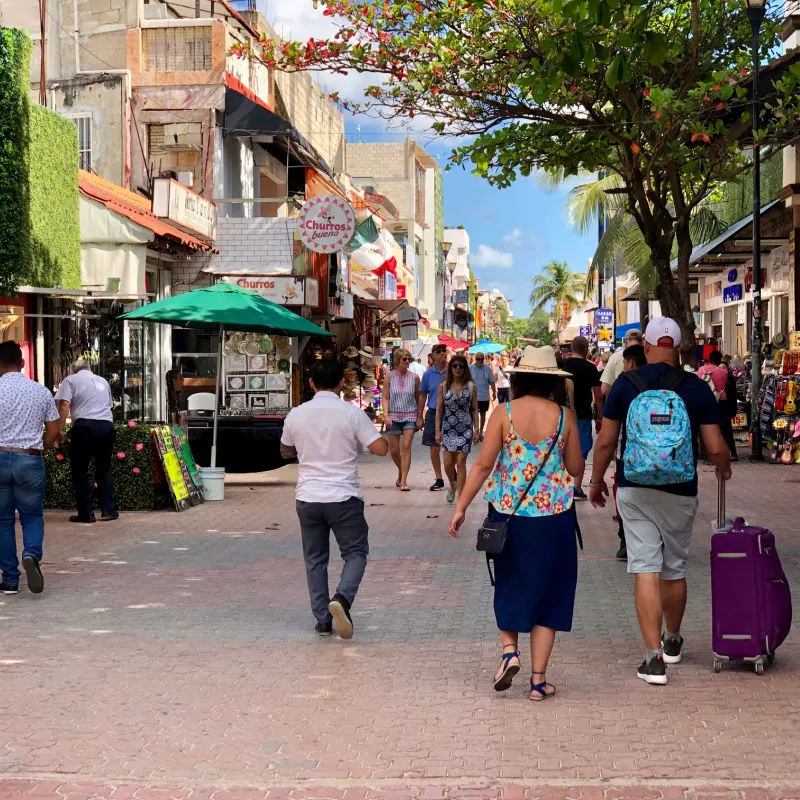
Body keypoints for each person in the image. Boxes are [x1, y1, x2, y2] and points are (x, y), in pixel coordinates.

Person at [588, 318, 731, 685]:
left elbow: (605, 441)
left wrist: (596, 481)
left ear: (648, 347)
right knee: (674, 566)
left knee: (645, 566)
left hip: (634, 487)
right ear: (680, 347)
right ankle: (672, 640)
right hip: (681, 488)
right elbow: (715, 447)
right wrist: (723, 468)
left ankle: (653, 660)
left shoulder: (626, 384)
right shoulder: (696, 389)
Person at [448, 346, 583, 700]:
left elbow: (481, 466)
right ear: (554, 381)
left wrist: (461, 506)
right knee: (551, 593)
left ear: (521, 377)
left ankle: (509, 652)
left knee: (509, 583)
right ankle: (538, 682)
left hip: (508, 516)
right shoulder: (565, 417)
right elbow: (575, 469)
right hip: (554, 519)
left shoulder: (504, 413)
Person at [280, 359, 389, 639]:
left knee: (315, 558)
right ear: (342, 382)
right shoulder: (351, 414)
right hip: (344, 497)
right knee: (355, 553)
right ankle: (341, 599)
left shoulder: (296, 414)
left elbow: (285, 451)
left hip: (308, 497)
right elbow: (380, 449)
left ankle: (322, 621)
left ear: (311, 384)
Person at [0, 341, 61, 595]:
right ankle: (32, 555)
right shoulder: (40, 391)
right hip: (30, 458)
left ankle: (10, 580)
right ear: (22, 362)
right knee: (32, 515)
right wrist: (41, 447)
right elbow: (56, 430)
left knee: (3, 520)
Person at [55, 358, 117, 524]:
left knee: (80, 471)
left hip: (84, 427)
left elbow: (64, 404)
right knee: (104, 468)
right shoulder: (103, 381)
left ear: (74, 371)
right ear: (89, 369)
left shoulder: (70, 380)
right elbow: (108, 405)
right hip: (106, 426)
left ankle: (86, 514)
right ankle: (109, 510)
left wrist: (59, 429)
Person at [613, 344, 648, 561]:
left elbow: (610, 432)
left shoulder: (624, 383)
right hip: (658, 454)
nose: (624, 366)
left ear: (632, 362)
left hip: (627, 454)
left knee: (627, 499)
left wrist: (596, 480)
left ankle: (627, 542)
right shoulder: (660, 381)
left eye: (625, 362)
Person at [561, 336, 602, 500]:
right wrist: (600, 417)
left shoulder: (563, 365)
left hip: (562, 413)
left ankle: (563, 484)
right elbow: (598, 395)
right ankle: (576, 488)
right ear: (585, 349)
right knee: (581, 450)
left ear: (572, 348)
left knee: (561, 448)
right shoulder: (591, 368)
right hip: (583, 414)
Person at [435, 353, 479, 503]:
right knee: (448, 464)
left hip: (465, 428)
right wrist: (437, 431)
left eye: (461, 365)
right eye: (455, 365)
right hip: (448, 428)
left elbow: (474, 409)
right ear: (451, 367)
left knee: (461, 462)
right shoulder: (444, 386)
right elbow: (439, 410)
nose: (458, 368)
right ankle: (452, 485)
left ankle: (461, 496)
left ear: (465, 368)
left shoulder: (471, 387)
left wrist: (477, 429)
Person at [382, 348, 420, 492]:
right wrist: (386, 415)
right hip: (393, 415)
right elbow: (385, 397)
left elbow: (418, 398)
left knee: (406, 447)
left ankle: (404, 480)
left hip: (410, 415)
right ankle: (401, 469)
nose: (407, 361)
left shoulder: (415, 377)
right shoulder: (389, 377)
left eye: (409, 359)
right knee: (393, 450)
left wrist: (419, 416)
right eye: (404, 359)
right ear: (398, 360)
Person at [418, 344, 449, 491]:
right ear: (433, 356)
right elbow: (423, 394)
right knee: (434, 447)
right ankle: (439, 478)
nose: (443, 354)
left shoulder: (454, 370)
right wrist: (420, 416)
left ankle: (452, 471)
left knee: (452, 447)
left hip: (451, 412)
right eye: (439, 352)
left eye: (444, 351)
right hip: (433, 411)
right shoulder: (428, 374)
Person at [697, 351, 738, 461]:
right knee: (725, 429)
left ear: (709, 359)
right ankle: (732, 453)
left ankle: (707, 454)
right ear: (720, 360)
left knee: (706, 428)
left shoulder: (701, 370)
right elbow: (725, 386)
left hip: (705, 402)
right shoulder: (723, 372)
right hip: (721, 402)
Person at [600, 329, 643, 397]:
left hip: (621, 404)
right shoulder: (649, 356)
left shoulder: (615, 357)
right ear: (642, 341)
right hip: (645, 405)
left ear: (625, 341)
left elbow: (605, 389)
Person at [470, 353, 497, 441]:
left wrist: (494, 392)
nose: (480, 361)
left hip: (484, 396)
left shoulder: (487, 368)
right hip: (473, 397)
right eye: (478, 359)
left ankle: (481, 433)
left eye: (482, 359)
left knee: (483, 415)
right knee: (474, 415)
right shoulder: (471, 368)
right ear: (475, 359)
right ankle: (475, 432)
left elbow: (492, 381)